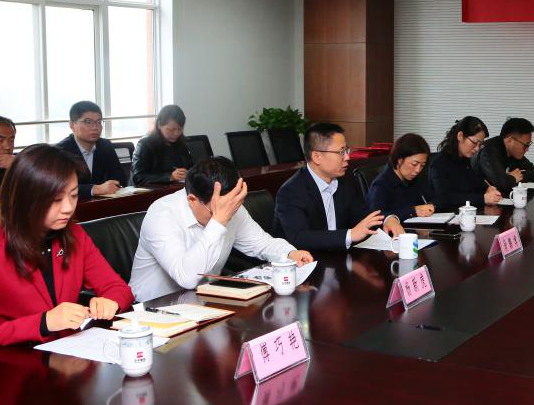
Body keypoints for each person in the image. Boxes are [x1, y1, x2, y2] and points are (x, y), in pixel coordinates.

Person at [0, 144, 135, 358]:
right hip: (16, 364)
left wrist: (110, 301)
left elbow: (118, 288)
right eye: (56, 200)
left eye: (74, 195)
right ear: (25, 199)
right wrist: (43, 323)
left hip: (69, 359)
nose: (68, 208)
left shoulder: (74, 234)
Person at [129, 157, 314, 302]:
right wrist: (218, 222)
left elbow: (261, 243)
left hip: (204, 300)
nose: (228, 214)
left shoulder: (229, 205)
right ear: (192, 200)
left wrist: (289, 253)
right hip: (153, 308)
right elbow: (186, 278)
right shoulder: (162, 214)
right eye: (217, 210)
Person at [273, 122, 401, 250]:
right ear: (317, 157)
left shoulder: (343, 183)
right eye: (341, 152)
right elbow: (299, 238)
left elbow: (364, 217)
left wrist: (388, 219)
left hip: (337, 257)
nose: (347, 157)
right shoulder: (291, 191)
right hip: (305, 260)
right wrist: (350, 235)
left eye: (346, 150)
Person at [55, 101, 127, 199]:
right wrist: (94, 189)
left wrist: (112, 185)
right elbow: (58, 187)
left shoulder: (105, 146)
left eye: (98, 122)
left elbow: (120, 179)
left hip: (103, 202)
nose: (95, 127)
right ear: (72, 125)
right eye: (88, 122)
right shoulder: (60, 151)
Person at [429, 116, 501, 209]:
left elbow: (475, 183)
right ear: (460, 136)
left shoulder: (464, 160)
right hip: (445, 214)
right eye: (474, 142)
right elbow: (445, 197)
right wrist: (483, 198)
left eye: (480, 145)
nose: (477, 149)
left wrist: (487, 189)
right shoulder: (439, 163)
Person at [366, 133, 437, 221]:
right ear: (399, 160)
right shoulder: (381, 185)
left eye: (422, 165)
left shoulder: (415, 178)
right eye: (414, 164)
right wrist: (413, 211)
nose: (418, 170)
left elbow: (432, 199)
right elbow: (376, 218)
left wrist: (430, 206)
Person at [472, 117, 534, 196]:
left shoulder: (514, 153)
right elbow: (501, 183)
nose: (527, 149)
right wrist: (512, 178)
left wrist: (512, 178)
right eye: (525, 145)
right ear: (509, 140)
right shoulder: (488, 151)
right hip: (476, 199)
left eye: (529, 145)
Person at [131, 104, 194, 186]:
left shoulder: (181, 143)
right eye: (171, 130)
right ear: (159, 124)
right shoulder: (145, 144)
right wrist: (170, 177)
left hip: (175, 188)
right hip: (150, 191)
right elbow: (138, 177)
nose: (176, 133)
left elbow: (190, 167)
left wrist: (188, 173)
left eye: (180, 129)